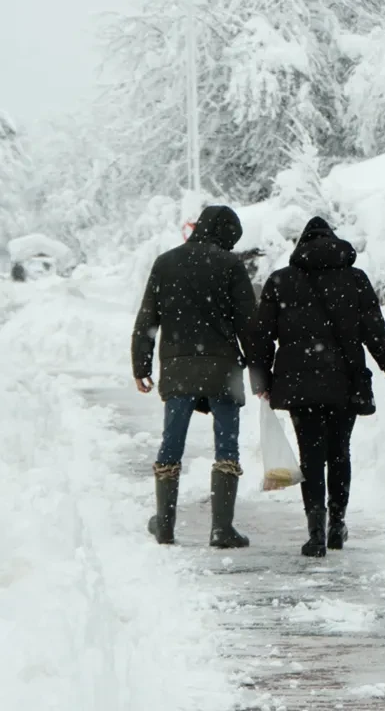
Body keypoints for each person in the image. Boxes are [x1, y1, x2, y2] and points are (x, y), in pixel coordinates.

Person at [247, 216, 385, 558]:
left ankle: (315, 533)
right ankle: (337, 523)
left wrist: (261, 380)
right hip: (345, 381)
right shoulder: (355, 280)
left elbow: (261, 337)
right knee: (339, 452)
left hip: (299, 385)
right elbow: (375, 334)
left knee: (311, 456)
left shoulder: (281, 281)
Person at [132, 205, 257, 548]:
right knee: (227, 446)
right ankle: (222, 529)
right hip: (223, 369)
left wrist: (141, 365)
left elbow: (147, 319)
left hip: (178, 368)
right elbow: (249, 324)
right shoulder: (230, 265)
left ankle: (165, 524)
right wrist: (260, 371)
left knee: (172, 442)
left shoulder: (166, 262)